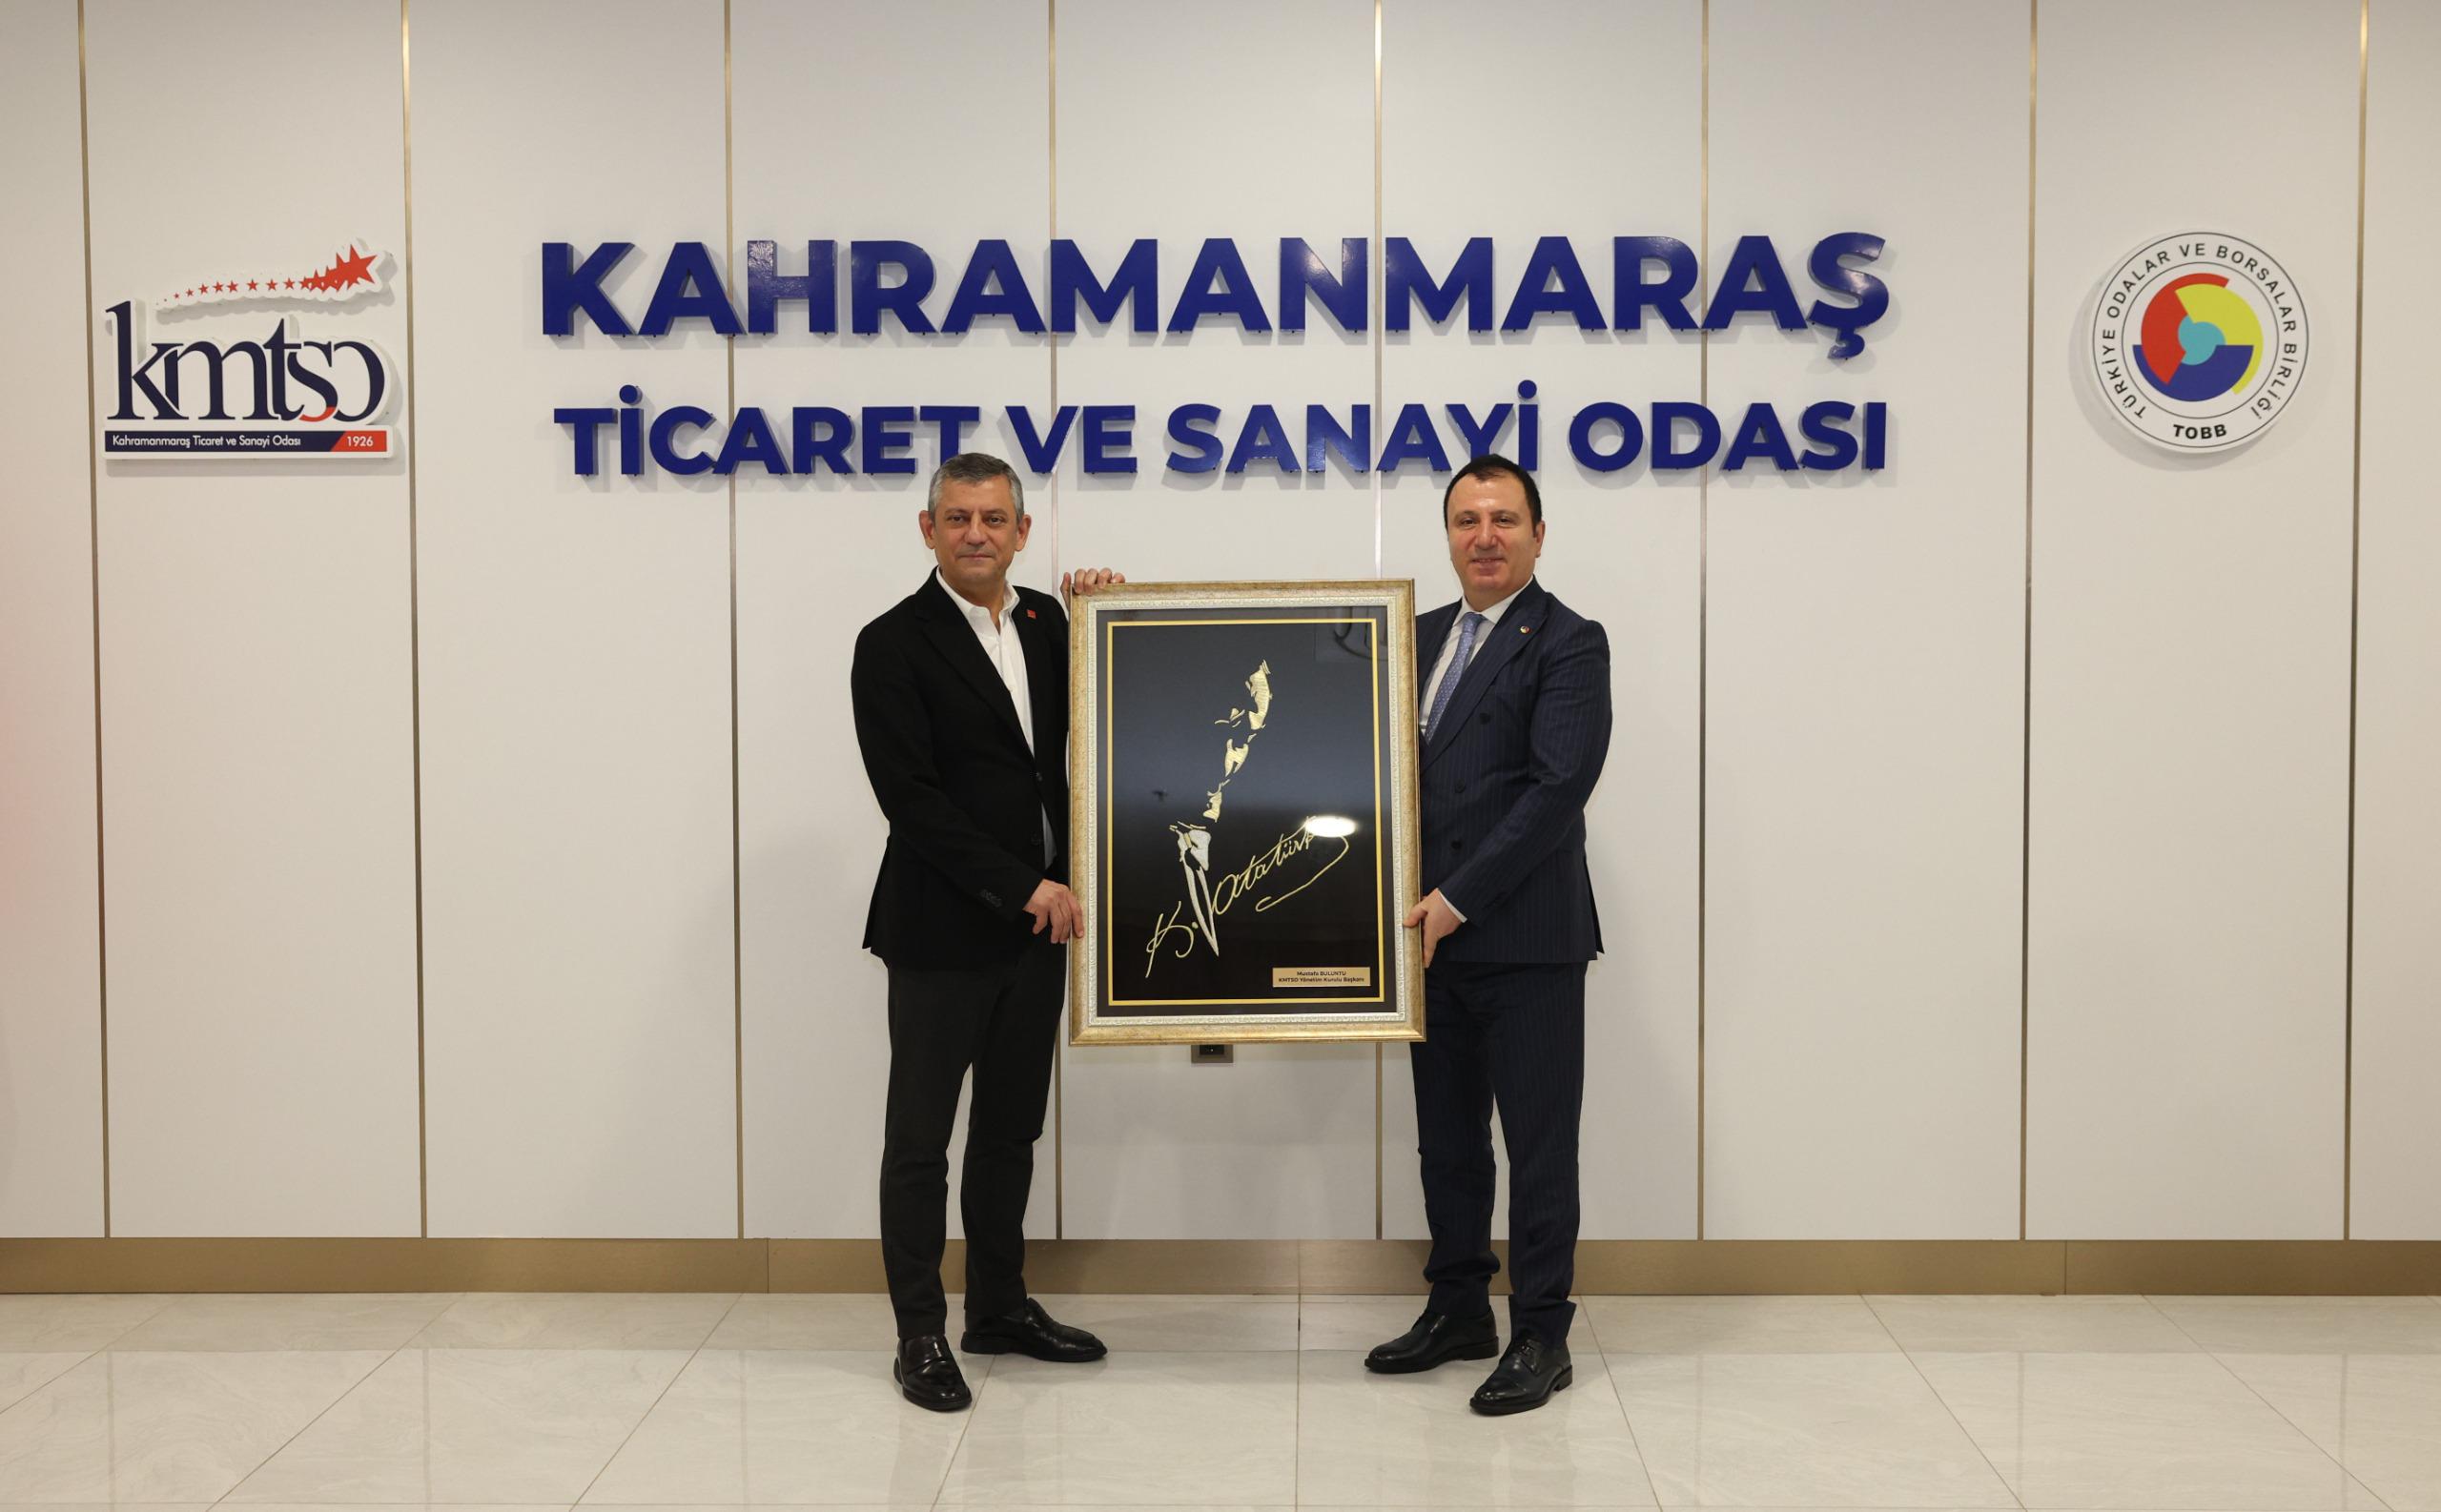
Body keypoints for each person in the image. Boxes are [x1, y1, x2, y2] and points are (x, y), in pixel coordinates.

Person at [849, 451, 1122, 1412]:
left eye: (994, 519)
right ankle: (920, 1331)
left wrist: (1104, 614)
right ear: (928, 530)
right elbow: (912, 800)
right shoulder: (891, 643)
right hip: (941, 929)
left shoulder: (1049, 624)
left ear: (1021, 533)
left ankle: (998, 1306)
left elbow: (1109, 723)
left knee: (1010, 1131)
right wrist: (1022, 887)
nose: (976, 533)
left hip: (1036, 934)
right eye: (958, 518)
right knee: (920, 1140)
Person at [1368, 453, 1612, 1416]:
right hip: (1427, 943)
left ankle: (1541, 1331)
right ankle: (1459, 1306)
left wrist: (1456, 897)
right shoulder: (1413, 634)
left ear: (1537, 535)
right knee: (1449, 1143)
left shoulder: (1569, 642)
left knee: (1539, 1147)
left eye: (1504, 519)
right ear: (1448, 536)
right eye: (1467, 520)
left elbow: (1555, 791)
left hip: (1526, 939)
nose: (1484, 536)